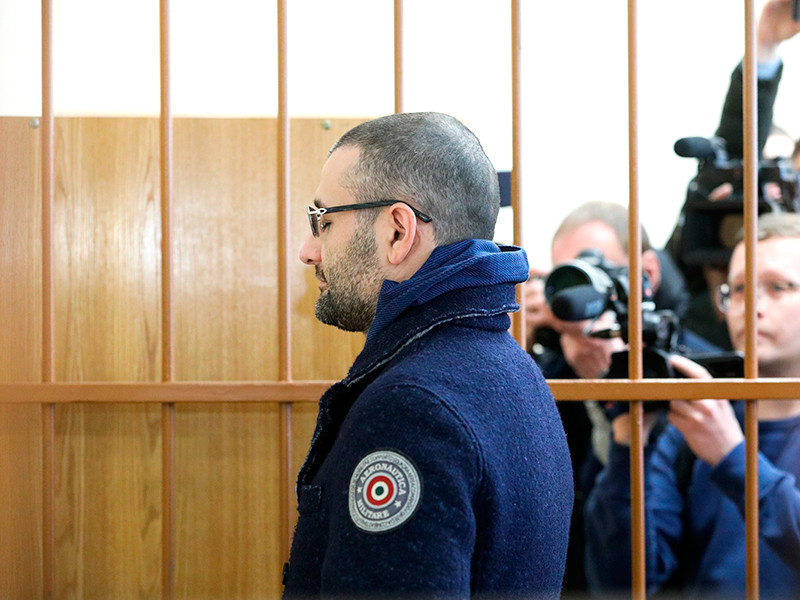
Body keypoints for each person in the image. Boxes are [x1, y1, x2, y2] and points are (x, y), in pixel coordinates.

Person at [282, 112, 573, 599]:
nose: (308, 250)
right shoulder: (513, 369)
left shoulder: (411, 408)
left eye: (323, 221)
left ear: (398, 231)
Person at [585, 212, 800, 598]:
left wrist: (733, 457)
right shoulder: (694, 424)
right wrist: (627, 446)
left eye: (777, 287)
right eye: (738, 289)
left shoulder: (708, 427)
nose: (751, 305)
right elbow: (621, 581)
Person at [524, 201, 716, 597]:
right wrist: (515, 353)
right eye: (567, 275)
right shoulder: (545, 372)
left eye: (596, 271)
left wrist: (616, 389)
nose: (579, 292)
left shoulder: (693, 371)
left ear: (647, 273)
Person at [667, 0, 800, 351]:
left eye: (778, 175)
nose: (760, 189)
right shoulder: (701, 235)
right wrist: (763, 44)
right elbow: (738, 145)